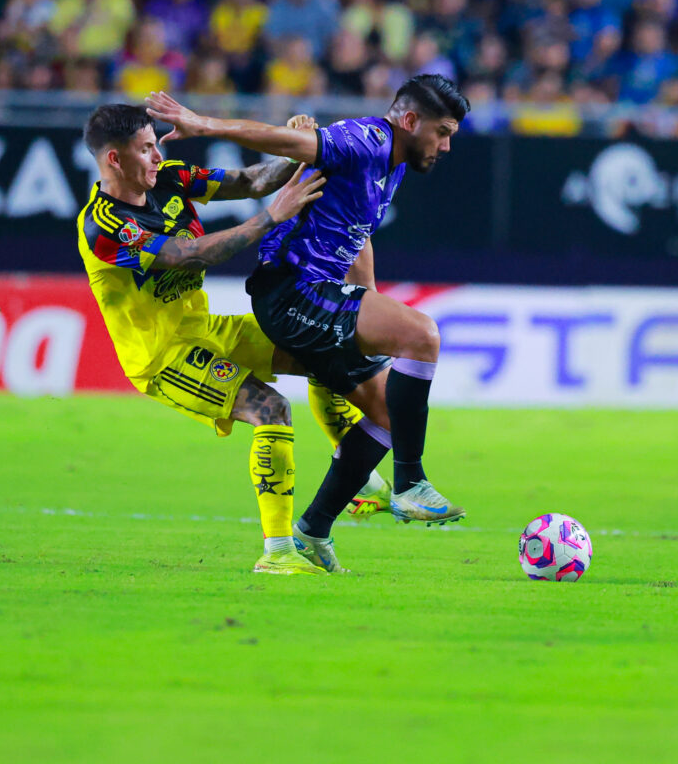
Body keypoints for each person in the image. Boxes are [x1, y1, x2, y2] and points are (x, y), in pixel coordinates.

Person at [145, 74, 470, 572]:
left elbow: (359, 237)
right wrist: (201, 122)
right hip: (291, 290)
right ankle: (409, 483)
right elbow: (287, 140)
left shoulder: (394, 164)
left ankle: (313, 531)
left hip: (322, 296)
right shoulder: (367, 140)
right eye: (442, 132)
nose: (447, 145)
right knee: (422, 334)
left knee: (387, 411)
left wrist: (373, 310)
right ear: (409, 121)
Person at [77, 103, 328, 576]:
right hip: (162, 358)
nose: (157, 156)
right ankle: (277, 552)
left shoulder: (169, 177)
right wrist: (271, 218)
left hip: (206, 330)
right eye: (146, 148)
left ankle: (355, 482)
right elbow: (187, 256)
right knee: (271, 409)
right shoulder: (103, 227)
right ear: (114, 160)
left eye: (155, 145)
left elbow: (251, 181)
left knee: (320, 346)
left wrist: (295, 148)